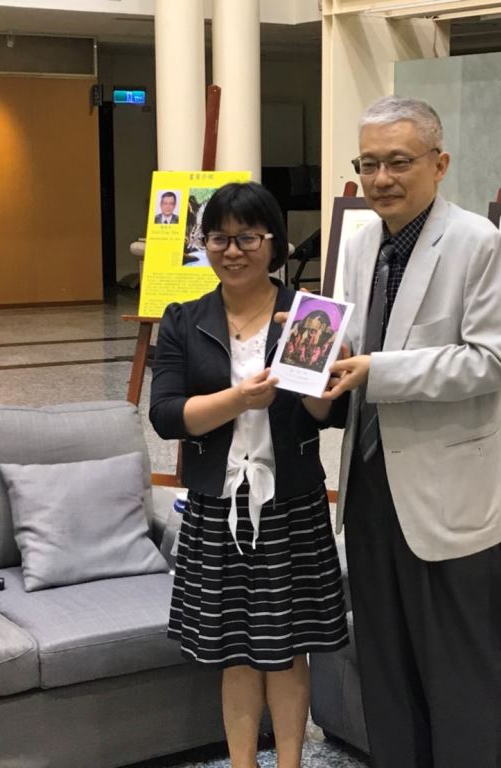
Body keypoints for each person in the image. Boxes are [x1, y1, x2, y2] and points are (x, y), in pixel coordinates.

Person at [323, 95, 501, 768]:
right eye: (368, 164)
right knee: (384, 664)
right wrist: (317, 363)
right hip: (369, 482)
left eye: (398, 162)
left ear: (439, 165)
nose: (380, 178)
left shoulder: (477, 243)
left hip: (452, 494)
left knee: (461, 673)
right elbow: (353, 338)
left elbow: (492, 360)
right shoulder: (360, 242)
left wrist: (375, 370)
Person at [149, 182, 348, 768]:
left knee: (288, 651)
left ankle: (290, 763)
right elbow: (166, 416)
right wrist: (239, 399)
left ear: (273, 243)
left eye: (248, 238)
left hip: (292, 501)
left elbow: (330, 415)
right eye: (220, 239)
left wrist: (319, 382)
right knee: (233, 651)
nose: (233, 251)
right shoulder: (184, 320)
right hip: (218, 503)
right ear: (205, 244)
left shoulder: (306, 314)